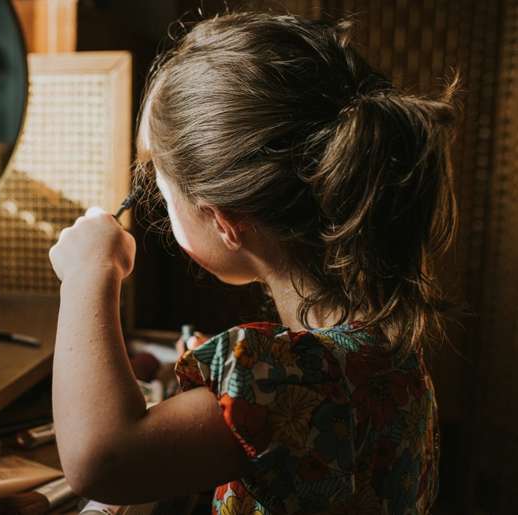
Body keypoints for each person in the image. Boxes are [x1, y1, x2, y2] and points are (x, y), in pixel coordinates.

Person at [48, 12, 457, 515]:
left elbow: (100, 460)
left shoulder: (284, 379)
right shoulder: (387, 352)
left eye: (162, 186)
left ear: (225, 221)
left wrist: (89, 273)